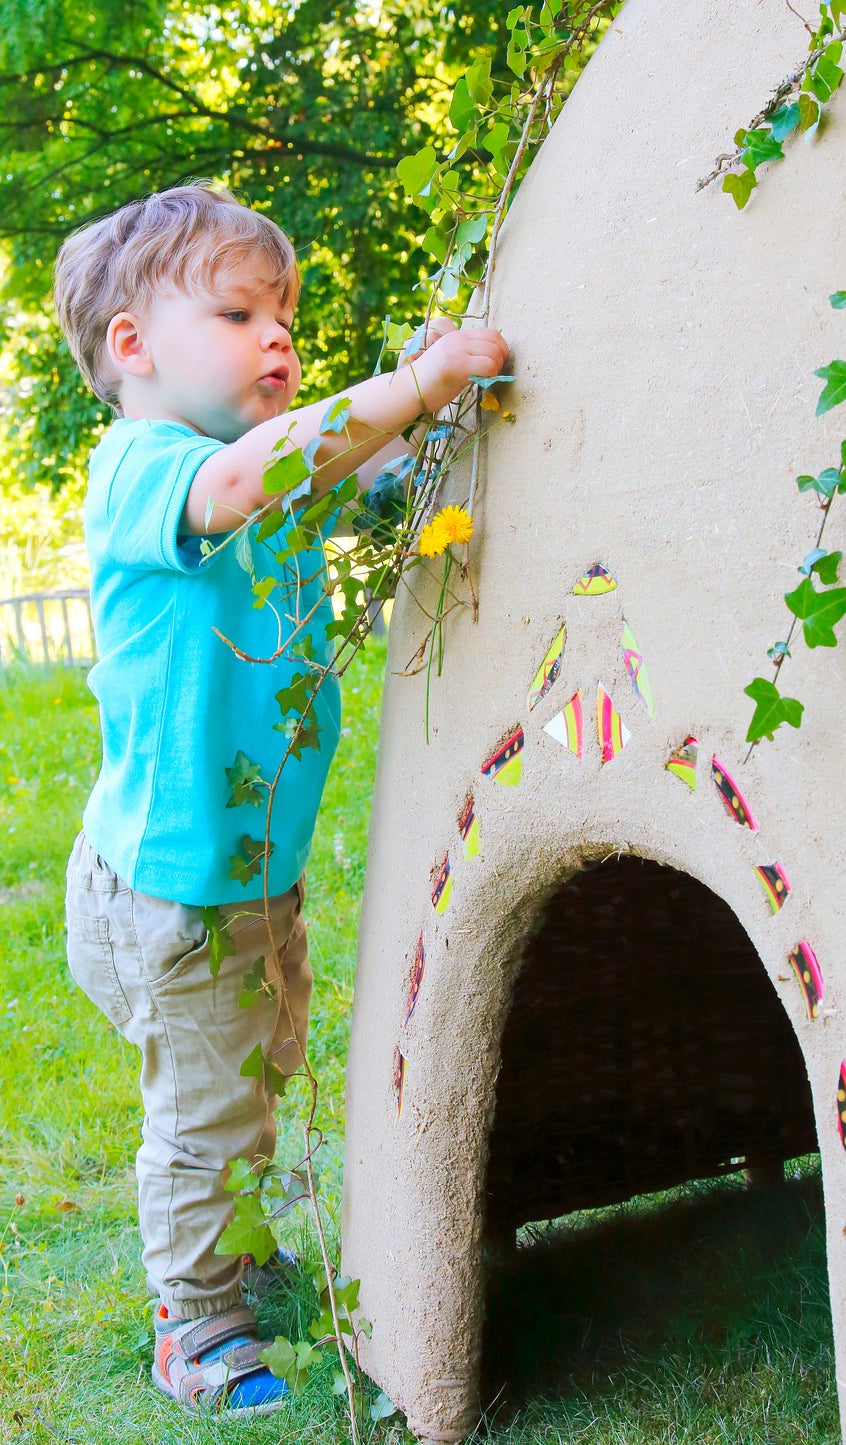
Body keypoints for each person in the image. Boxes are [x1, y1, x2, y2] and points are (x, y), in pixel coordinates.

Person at [54, 183, 508, 1417]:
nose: (279, 336)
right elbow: (259, 478)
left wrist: (422, 418)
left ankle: (241, 1252)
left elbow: (351, 475)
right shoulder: (149, 469)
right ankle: (195, 1319)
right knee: (203, 1116)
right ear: (132, 348)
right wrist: (404, 390)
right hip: (168, 887)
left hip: (251, 868)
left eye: (286, 313)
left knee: (257, 1067)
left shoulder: (258, 462)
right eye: (241, 310)